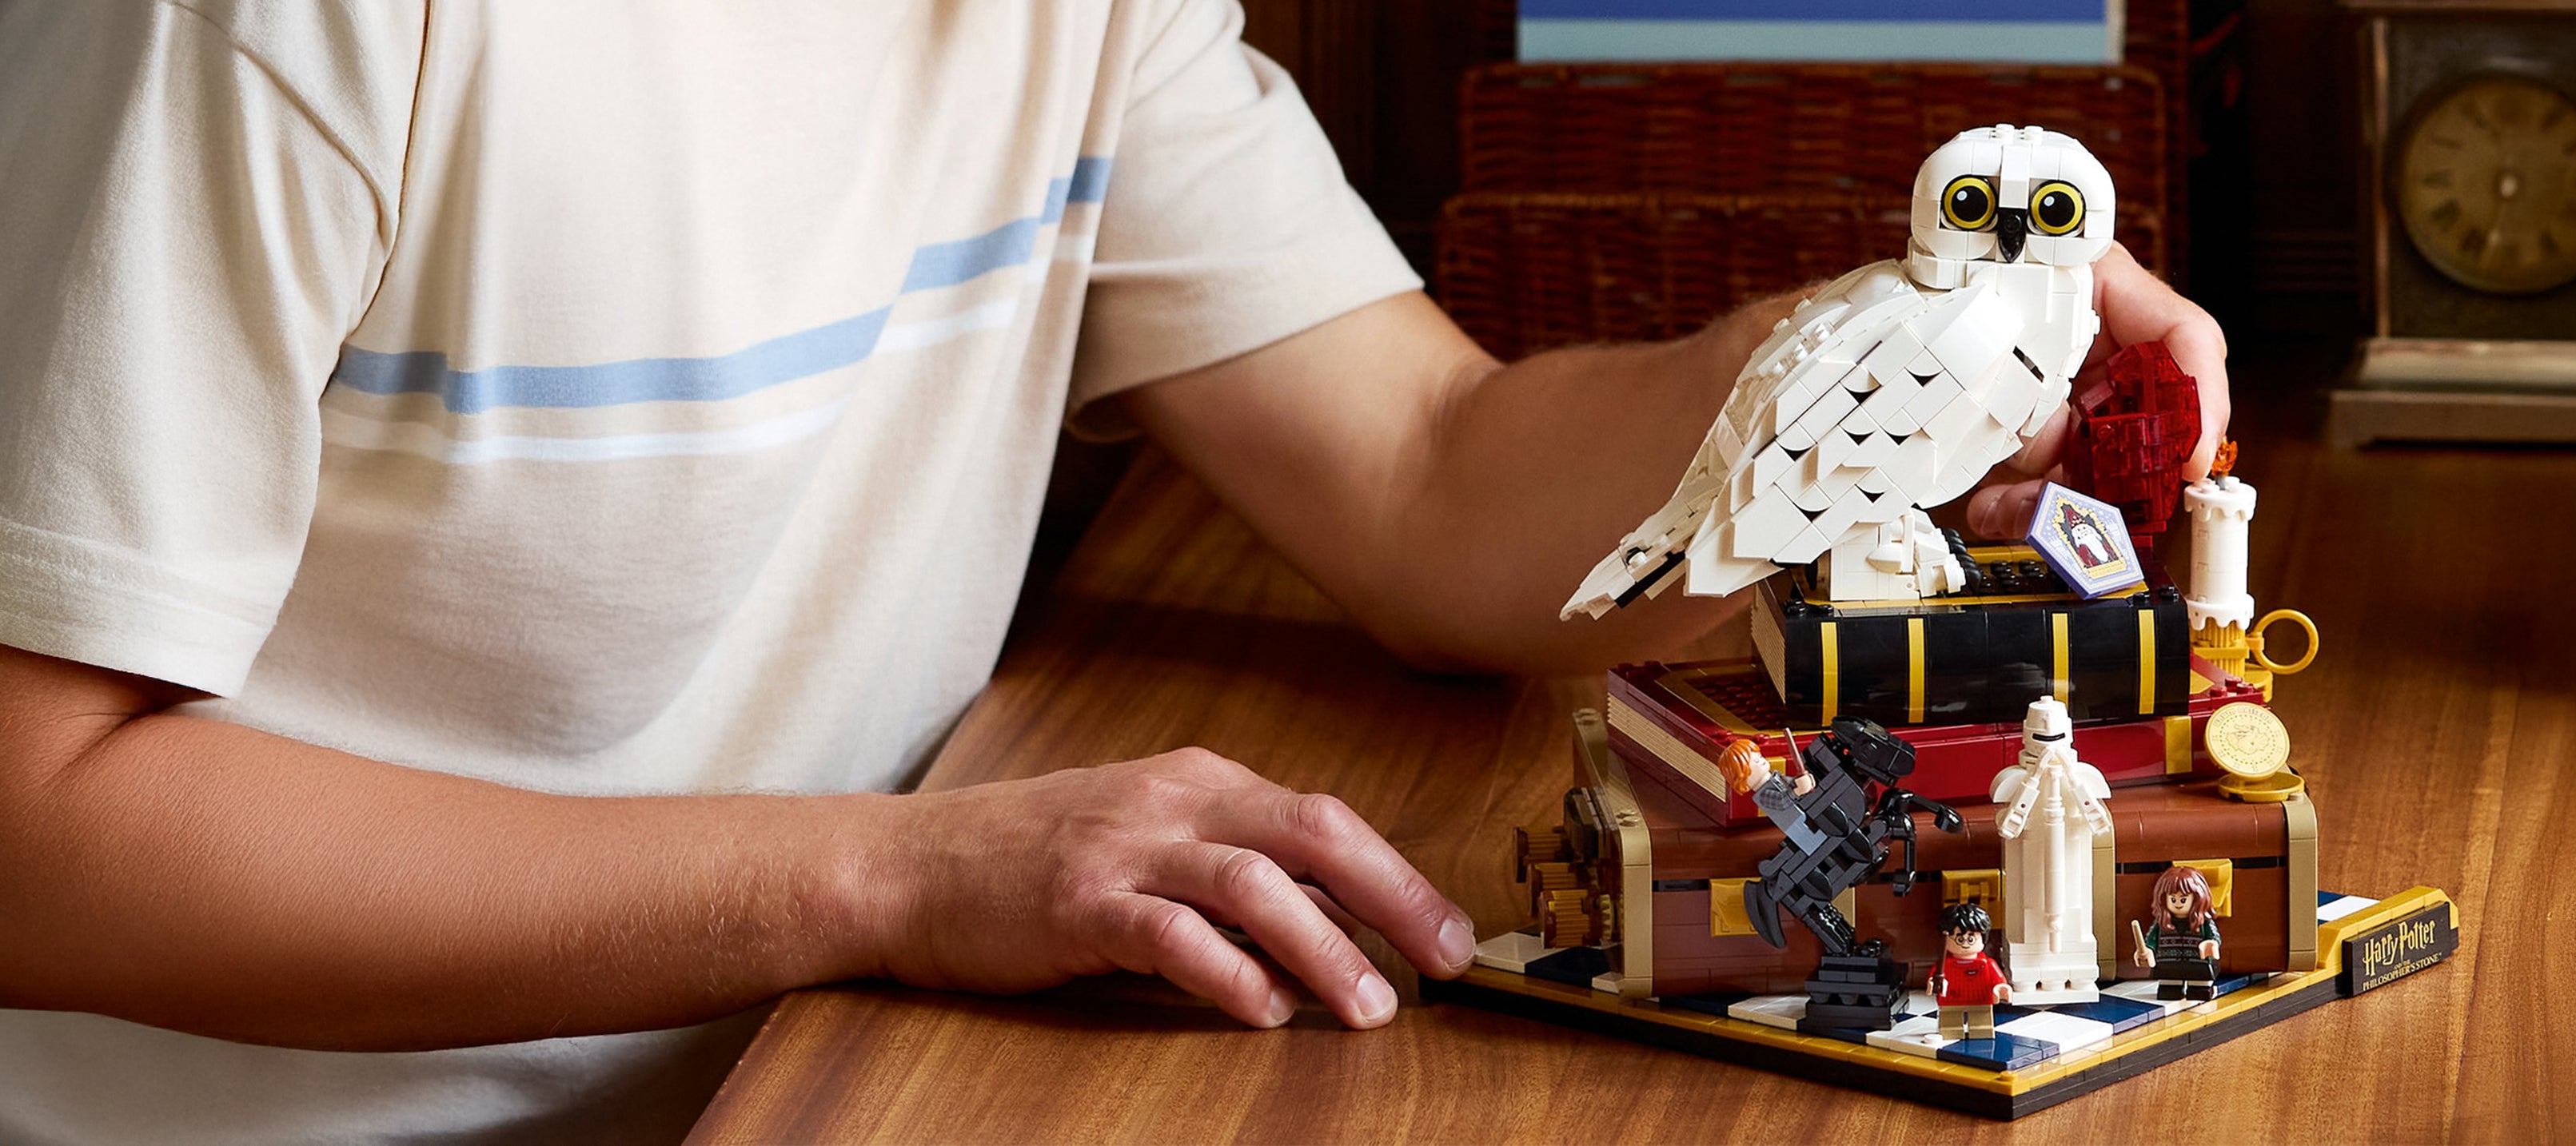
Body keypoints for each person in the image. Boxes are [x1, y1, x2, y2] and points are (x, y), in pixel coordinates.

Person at [0, 1, 2231, 1139]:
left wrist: (1899, 359)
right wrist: (887, 878)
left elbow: (1440, 481)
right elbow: (34, 834)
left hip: (823, 1090)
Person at [2132, 865, 2225, 1000]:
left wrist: (2211, 944)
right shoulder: (2162, 923)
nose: (2178, 904)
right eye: (2173, 899)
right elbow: (2151, 941)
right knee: (2169, 988)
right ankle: (2172, 988)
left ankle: (2200, 989)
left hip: (2197, 964)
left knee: (2199, 990)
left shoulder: (2203, 922)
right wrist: (2147, 951)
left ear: (2197, 898)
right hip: (2169, 966)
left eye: (2183, 899)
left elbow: (2214, 936)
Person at [1929, 901, 2010, 1041]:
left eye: (1971, 938)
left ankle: (1981, 1032)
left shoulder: (1988, 964)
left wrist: (2001, 988)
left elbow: (1999, 980)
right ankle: (1951, 1031)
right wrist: (1933, 984)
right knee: (1950, 1027)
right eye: (1959, 939)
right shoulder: (1943, 966)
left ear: (1983, 938)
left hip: (1981, 1000)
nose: (1965, 943)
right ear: (1945, 939)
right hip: (1950, 1001)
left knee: (1982, 1027)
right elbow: (1933, 979)